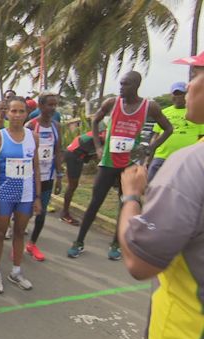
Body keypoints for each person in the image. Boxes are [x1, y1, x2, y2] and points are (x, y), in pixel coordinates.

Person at [117, 52, 204, 339]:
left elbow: (140, 263)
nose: (188, 88)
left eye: (195, 75)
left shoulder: (192, 166)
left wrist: (131, 197)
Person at [67, 71, 173, 260]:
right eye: (121, 84)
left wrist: (151, 148)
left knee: (125, 205)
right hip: (108, 162)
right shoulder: (112, 103)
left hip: (130, 164)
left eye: (126, 85)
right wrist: (98, 147)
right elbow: (95, 119)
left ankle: (116, 244)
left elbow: (168, 128)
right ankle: (79, 241)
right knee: (94, 203)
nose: (121, 88)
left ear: (136, 86)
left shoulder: (150, 106)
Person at [0, 96, 41, 294]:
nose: (17, 115)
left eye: (21, 111)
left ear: (26, 114)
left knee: (19, 232)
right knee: (0, 233)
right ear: (7, 113)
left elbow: (35, 168)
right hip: (4, 194)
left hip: (25, 195)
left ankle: (16, 271)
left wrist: (37, 197)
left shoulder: (32, 137)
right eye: (14, 111)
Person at [24, 92, 63, 261]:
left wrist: (60, 174)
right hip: (31, 177)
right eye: (50, 105)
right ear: (40, 106)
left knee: (42, 211)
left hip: (48, 176)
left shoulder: (56, 126)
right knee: (26, 212)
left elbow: (58, 151)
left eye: (55, 105)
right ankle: (18, 242)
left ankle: (32, 244)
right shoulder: (31, 126)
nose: (53, 108)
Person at [147, 81, 204, 181]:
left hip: (185, 159)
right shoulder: (163, 112)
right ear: (171, 95)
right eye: (175, 94)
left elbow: (201, 138)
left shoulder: (195, 112)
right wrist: (149, 155)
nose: (178, 97)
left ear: (187, 95)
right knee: (150, 184)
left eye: (181, 94)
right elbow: (155, 135)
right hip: (162, 156)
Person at [59, 129, 106, 225]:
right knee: (72, 186)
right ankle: (64, 213)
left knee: (72, 185)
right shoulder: (101, 137)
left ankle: (66, 212)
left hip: (74, 154)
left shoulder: (98, 133)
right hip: (74, 156)